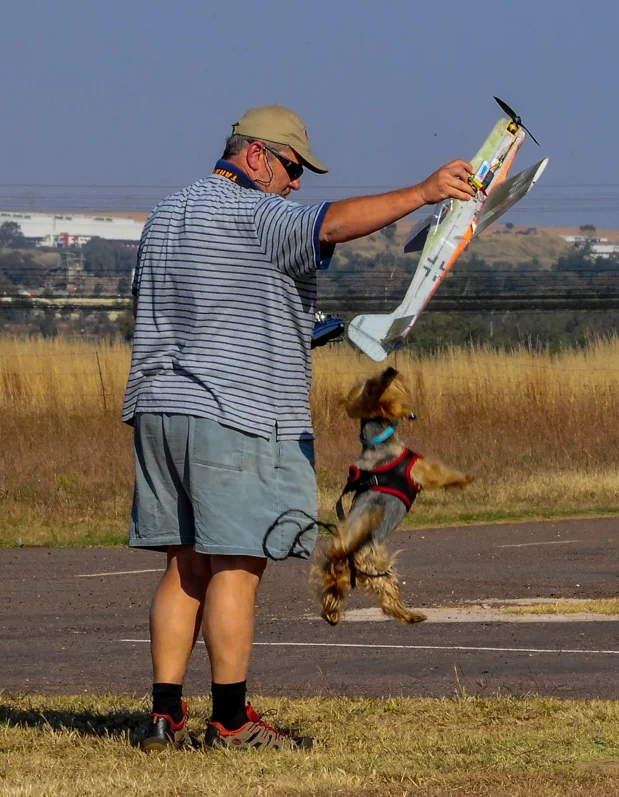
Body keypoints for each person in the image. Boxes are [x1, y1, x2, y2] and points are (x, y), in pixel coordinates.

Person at [122, 104, 474, 752]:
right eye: (291, 167)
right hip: (231, 412)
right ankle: (231, 722)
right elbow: (332, 223)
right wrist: (424, 193)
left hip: (158, 406)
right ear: (256, 155)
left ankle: (163, 716)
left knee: (184, 563)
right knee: (236, 562)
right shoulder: (256, 213)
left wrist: (288, 331)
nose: (295, 182)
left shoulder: (166, 216)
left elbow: (200, 307)